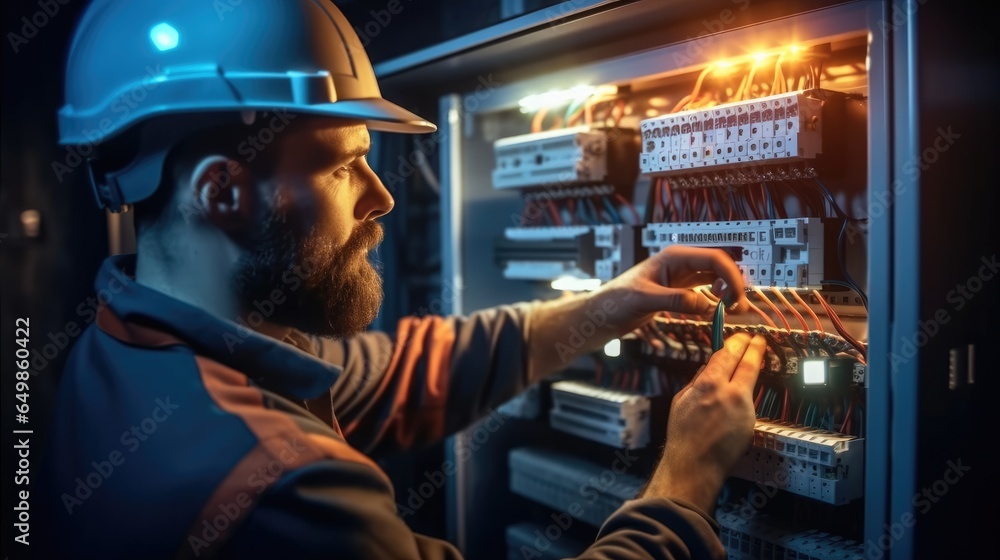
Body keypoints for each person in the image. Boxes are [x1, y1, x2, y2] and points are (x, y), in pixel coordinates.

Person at [37, 1, 767, 558]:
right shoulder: (284, 488)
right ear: (223, 191)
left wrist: (608, 306)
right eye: (340, 165)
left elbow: (403, 375)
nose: (380, 197)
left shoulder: (126, 349)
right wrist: (686, 483)